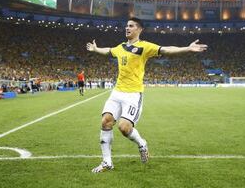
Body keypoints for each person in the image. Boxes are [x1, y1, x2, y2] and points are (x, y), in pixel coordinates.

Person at [86, 17, 207, 173]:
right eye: (126, 25)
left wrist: (187, 48)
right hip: (117, 92)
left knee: (124, 127)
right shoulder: (120, 47)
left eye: (131, 26)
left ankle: (142, 143)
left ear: (139, 29)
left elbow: (166, 49)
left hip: (133, 94)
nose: (127, 28)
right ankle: (107, 162)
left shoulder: (144, 47)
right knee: (106, 122)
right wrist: (96, 49)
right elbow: (108, 50)